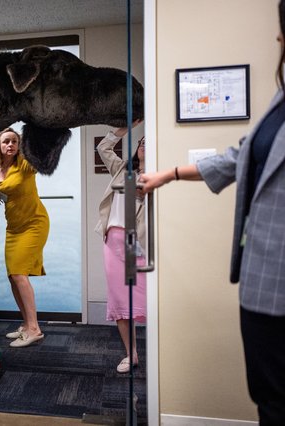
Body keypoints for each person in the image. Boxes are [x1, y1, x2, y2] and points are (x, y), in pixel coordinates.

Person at [141, 2, 285, 422]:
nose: (277, 38)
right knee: (269, 399)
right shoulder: (280, 100)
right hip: (262, 284)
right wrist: (167, 174)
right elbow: (238, 158)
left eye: (282, 29)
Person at [0, 127, 48, 348]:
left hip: (34, 224)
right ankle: (26, 323)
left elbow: (41, 153)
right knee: (13, 275)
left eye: (14, 141)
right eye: (6, 142)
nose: (10, 145)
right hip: (14, 228)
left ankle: (34, 329)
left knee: (20, 274)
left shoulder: (25, 165)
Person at [95, 123, 146, 373]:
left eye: (149, 143)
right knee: (119, 301)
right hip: (114, 239)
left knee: (143, 299)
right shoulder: (123, 170)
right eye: (141, 143)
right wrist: (124, 129)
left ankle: (162, 355)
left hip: (137, 242)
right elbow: (103, 147)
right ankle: (131, 353)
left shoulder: (158, 176)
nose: (144, 147)